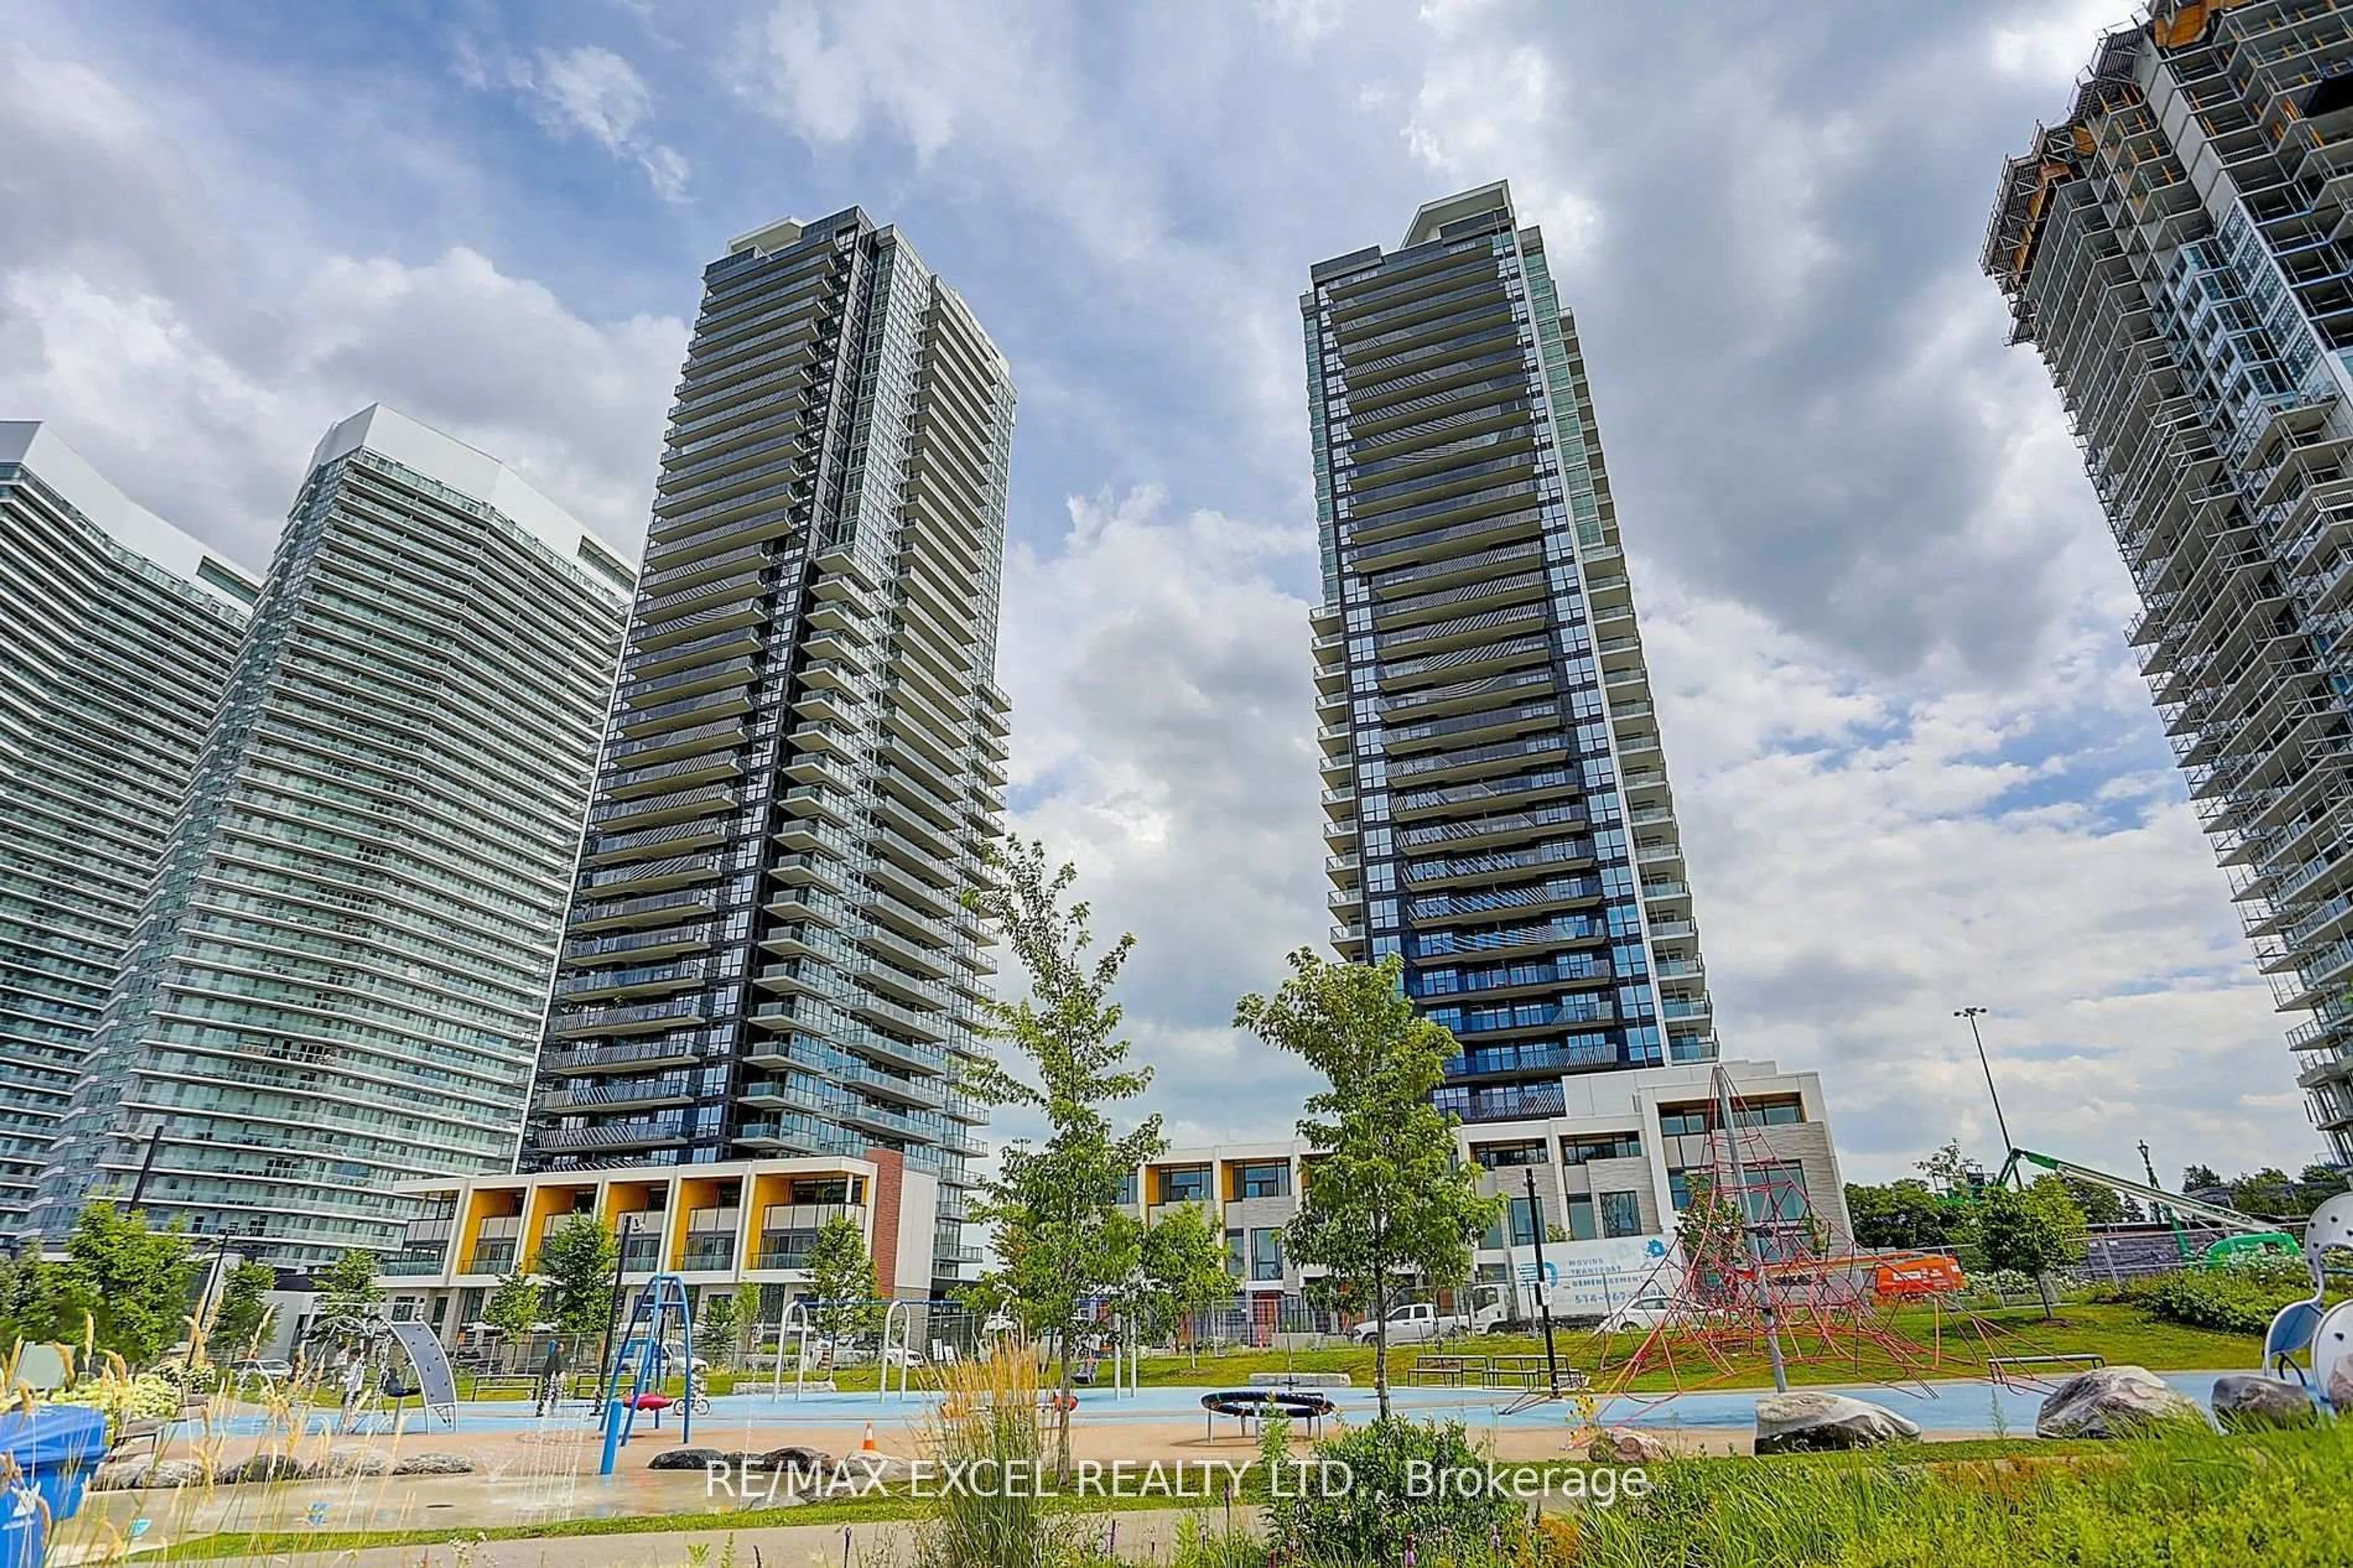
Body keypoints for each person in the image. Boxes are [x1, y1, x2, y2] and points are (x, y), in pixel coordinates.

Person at [534, 1338, 566, 1417]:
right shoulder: (554, 1356)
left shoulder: (559, 1356)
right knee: (547, 1393)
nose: (562, 1350)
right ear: (558, 1348)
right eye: (561, 1348)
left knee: (553, 1394)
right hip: (549, 1378)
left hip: (553, 1378)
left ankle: (550, 1409)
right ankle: (541, 1410)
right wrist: (559, 1374)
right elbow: (553, 1368)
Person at [338, 1352, 368, 1433]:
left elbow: (356, 1377)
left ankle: (349, 1425)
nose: (350, 1357)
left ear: (356, 1355)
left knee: (349, 1407)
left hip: (354, 1389)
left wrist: (345, 1380)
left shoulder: (359, 1365)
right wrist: (346, 1374)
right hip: (351, 1388)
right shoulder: (356, 1365)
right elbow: (353, 1375)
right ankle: (347, 1423)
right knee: (347, 1406)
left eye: (352, 1355)